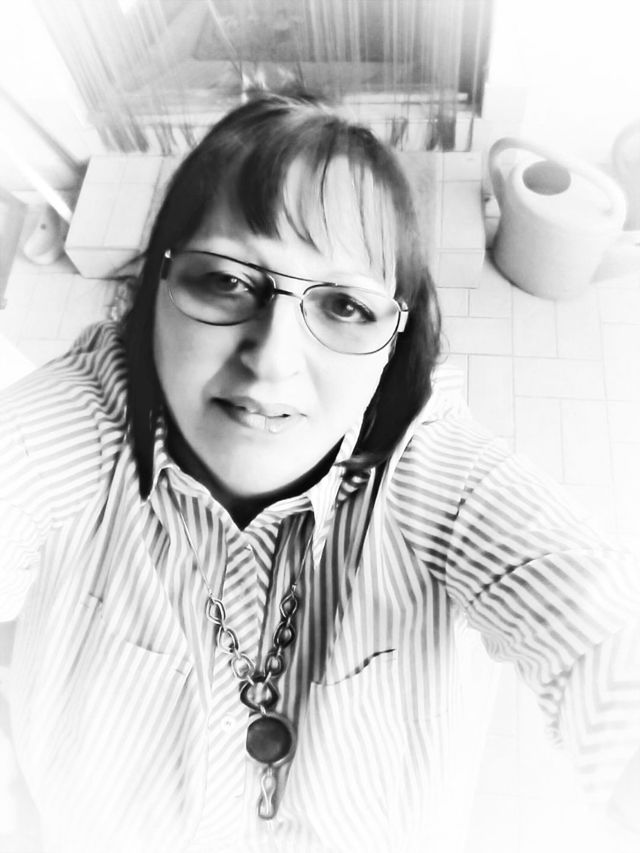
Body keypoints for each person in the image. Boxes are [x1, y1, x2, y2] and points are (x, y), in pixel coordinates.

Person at [0, 90, 639, 853]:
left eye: (343, 306)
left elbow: (597, 628)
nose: (271, 361)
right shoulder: (79, 422)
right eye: (226, 280)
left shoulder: (432, 472)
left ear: (393, 344)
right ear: (154, 291)